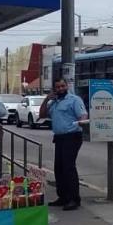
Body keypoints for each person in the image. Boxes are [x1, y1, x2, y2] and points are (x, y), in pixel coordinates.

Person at [39, 78, 88, 211]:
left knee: (68, 167)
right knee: (59, 168)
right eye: (58, 87)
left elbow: (83, 115)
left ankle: (74, 199)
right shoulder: (54, 102)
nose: (60, 89)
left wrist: (80, 122)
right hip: (59, 138)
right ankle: (63, 197)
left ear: (66, 86)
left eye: (62, 86)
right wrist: (46, 99)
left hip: (72, 137)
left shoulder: (74, 100)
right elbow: (42, 114)